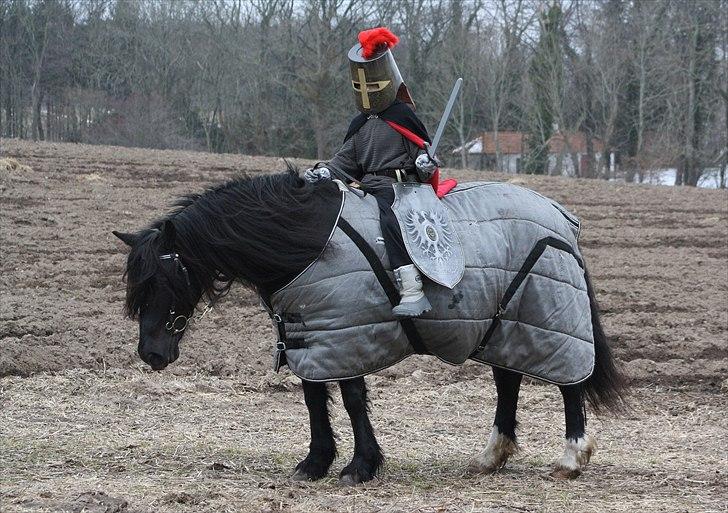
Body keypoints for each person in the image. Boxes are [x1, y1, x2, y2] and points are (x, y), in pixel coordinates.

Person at [303, 27, 441, 318]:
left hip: (400, 189)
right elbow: (343, 163)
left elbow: (423, 157)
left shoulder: (403, 117)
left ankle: (412, 288)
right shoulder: (360, 125)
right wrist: (324, 173)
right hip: (365, 189)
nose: (368, 92)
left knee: (390, 219)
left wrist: (424, 165)